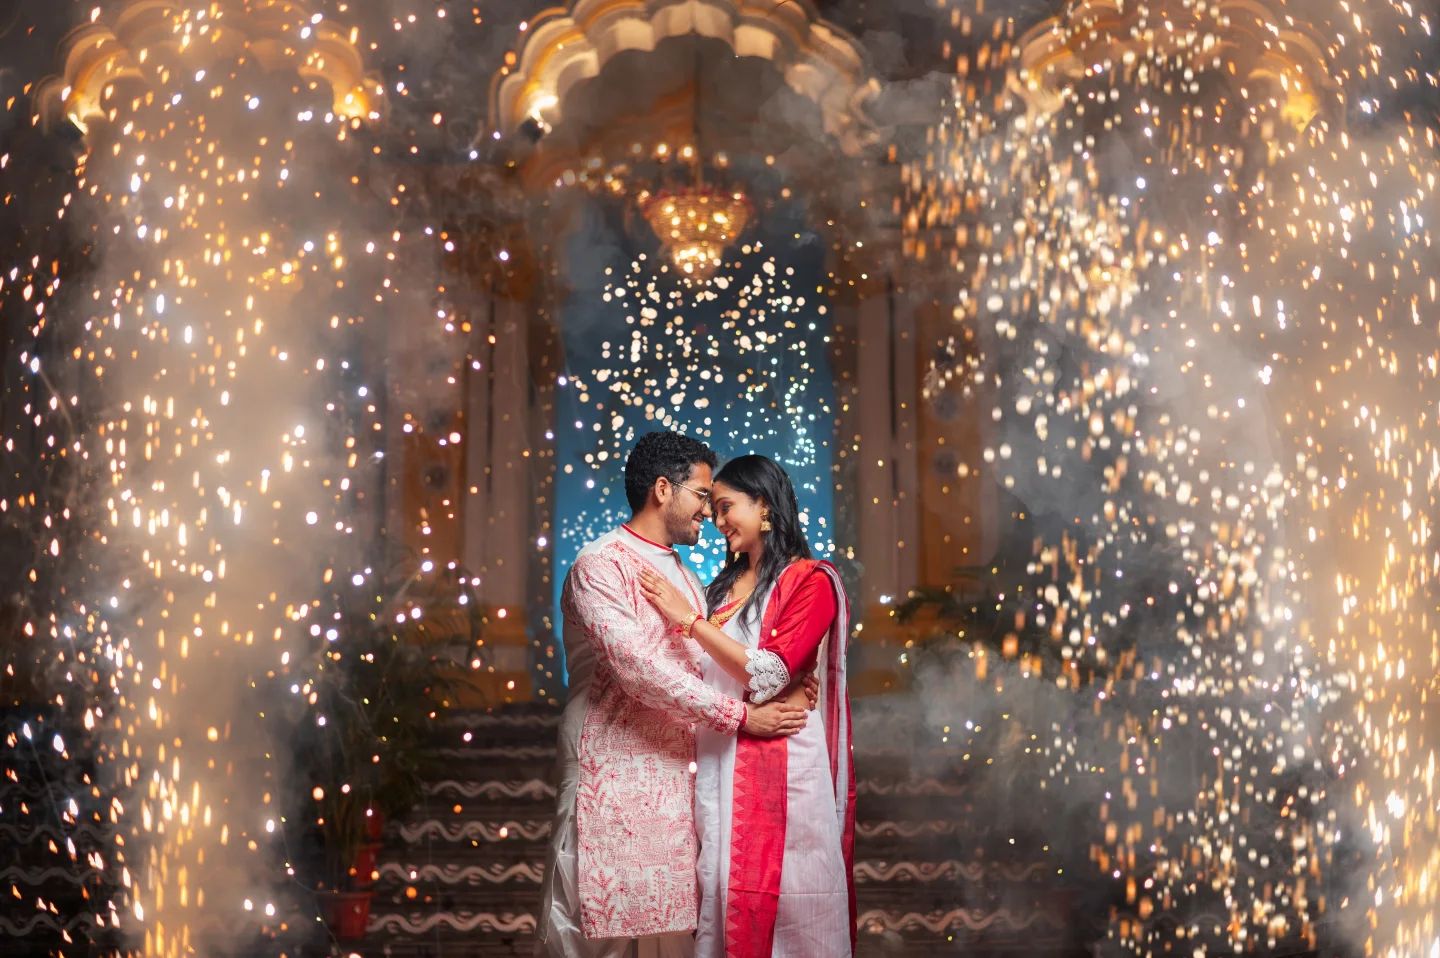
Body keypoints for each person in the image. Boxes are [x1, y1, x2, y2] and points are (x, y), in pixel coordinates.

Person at [536, 433, 813, 958]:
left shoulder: (687, 578)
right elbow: (638, 669)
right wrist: (740, 715)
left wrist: (792, 679)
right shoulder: (601, 565)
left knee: (674, 931)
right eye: (704, 495)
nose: (711, 513)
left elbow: (708, 663)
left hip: (677, 773)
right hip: (609, 766)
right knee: (597, 928)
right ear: (663, 489)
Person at [638, 454, 856, 958]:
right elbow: (708, 670)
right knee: (721, 887)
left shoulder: (811, 581)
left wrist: (689, 620)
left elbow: (769, 674)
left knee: (792, 900)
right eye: (712, 509)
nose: (716, 523)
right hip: (720, 758)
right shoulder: (719, 587)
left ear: (765, 506)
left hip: (783, 761)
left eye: (726, 507)